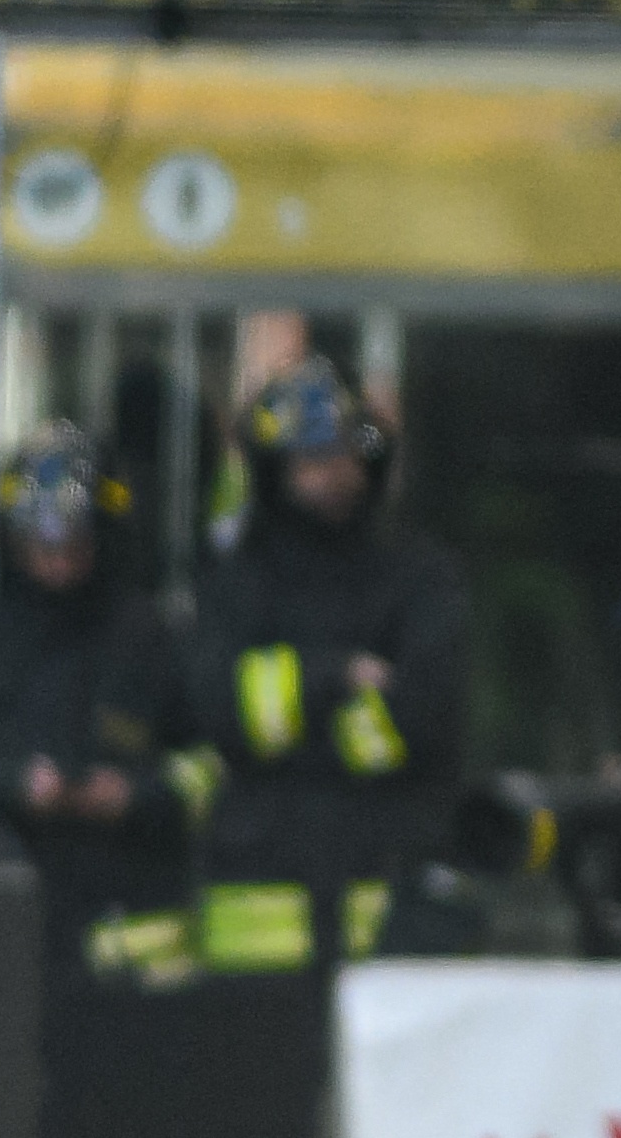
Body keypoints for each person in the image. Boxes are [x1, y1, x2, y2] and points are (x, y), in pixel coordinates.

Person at [185, 357, 466, 971]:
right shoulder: (233, 579)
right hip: (256, 893)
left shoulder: (418, 576)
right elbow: (216, 713)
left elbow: (425, 721)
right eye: (312, 461)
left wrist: (283, 706)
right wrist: (339, 677)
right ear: (275, 471)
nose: (336, 475)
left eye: (346, 456)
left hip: (387, 880)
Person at [0, 420, 196, 975]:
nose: (57, 557)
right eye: (39, 539)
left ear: (106, 535)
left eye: (74, 539)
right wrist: (7, 784)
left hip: (130, 922)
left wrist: (136, 794)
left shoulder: (158, 643)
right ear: (9, 539)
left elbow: (210, 764)